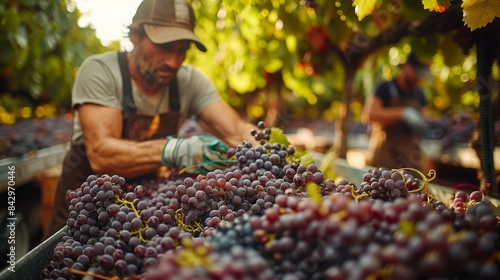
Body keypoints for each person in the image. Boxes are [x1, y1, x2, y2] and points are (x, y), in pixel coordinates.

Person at [46, 0, 258, 237]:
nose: (173, 62)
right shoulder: (101, 72)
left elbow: (237, 131)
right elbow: (101, 153)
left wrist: (271, 152)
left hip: (142, 215)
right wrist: (175, 149)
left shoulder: (190, 82)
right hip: (84, 215)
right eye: (165, 47)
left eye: (182, 50)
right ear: (135, 35)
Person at [361, 53, 430, 170]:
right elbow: (368, 115)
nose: (418, 78)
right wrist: (403, 113)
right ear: (406, 67)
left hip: (409, 154)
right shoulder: (385, 87)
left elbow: (425, 118)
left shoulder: (419, 94)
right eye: (416, 74)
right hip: (385, 152)